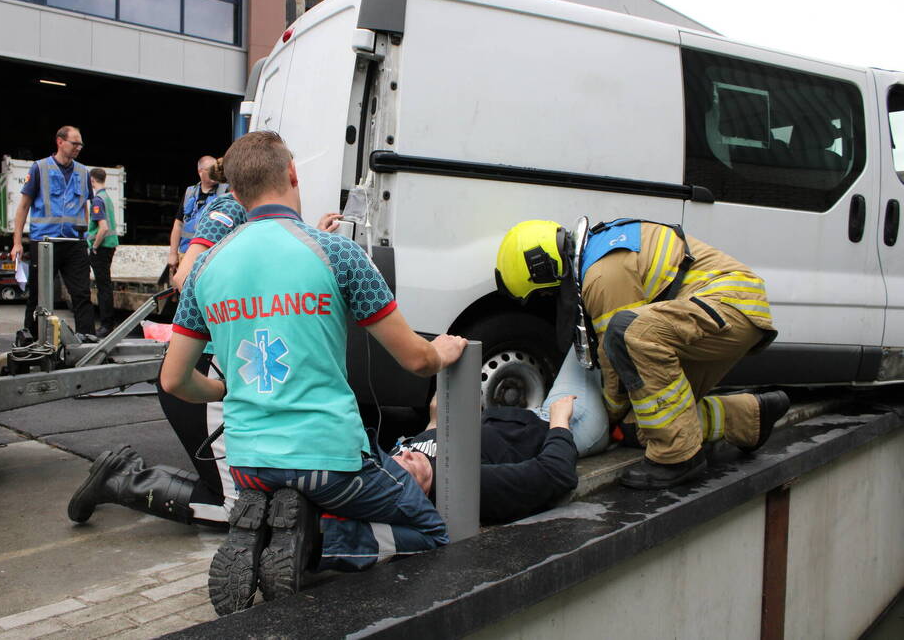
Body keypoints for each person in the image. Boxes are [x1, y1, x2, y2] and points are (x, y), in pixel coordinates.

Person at [161, 130, 467, 615]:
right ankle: (315, 543)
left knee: (292, 487)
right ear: (292, 173)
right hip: (329, 460)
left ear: (234, 192)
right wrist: (443, 352)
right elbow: (415, 359)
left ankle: (273, 528)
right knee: (431, 531)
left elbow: (174, 379)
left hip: (248, 465)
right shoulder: (337, 253)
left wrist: (224, 387)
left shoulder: (205, 268)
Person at [68, 162, 340, 531]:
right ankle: (121, 480)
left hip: (230, 371)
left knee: (260, 498)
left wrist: (313, 238)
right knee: (238, 511)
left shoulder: (269, 224)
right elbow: (186, 276)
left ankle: (128, 474)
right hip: (206, 370)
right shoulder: (231, 209)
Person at [496, 218, 791, 490]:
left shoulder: (602, 275)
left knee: (628, 332)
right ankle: (750, 417)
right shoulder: (599, 253)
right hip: (719, 310)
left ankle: (677, 458)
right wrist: (623, 422)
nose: (550, 298)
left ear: (543, 267)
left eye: (545, 293)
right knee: (644, 425)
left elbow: (616, 354)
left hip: (729, 305)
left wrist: (609, 415)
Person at [393, 393, 579, 525]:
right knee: (588, 356)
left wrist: (435, 421)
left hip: (515, 415)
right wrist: (560, 419)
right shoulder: (462, 485)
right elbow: (556, 471)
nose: (405, 454)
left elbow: (426, 446)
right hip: (557, 425)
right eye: (408, 469)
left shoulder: (394, 467)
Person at [11, 125, 95, 339]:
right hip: (45, 242)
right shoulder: (39, 168)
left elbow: (84, 207)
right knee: (38, 295)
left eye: (81, 144)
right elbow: (23, 207)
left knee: (82, 293)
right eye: (74, 143)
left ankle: (87, 338)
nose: (79, 148)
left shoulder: (83, 172)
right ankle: (31, 339)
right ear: (60, 142)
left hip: (74, 242)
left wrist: (85, 236)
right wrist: (17, 242)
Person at [168, 156, 221, 277]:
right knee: (183, 285)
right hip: (186, 253)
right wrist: (173, 253)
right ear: (200, 172)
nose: (215, 173)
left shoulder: (226, 191)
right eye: (211, 170)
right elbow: (178, 224)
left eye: (217, 169)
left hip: (212, 255)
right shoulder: (190, 192)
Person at [86, 168, 118, 338]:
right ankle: (108, 323)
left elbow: (103, 227)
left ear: (92, 180)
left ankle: (106, 325)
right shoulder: (107, 198)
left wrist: (94, 246)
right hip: (109, 246)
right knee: (105, 286)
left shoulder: (97, 200)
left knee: (103, 287)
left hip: (102, 248)